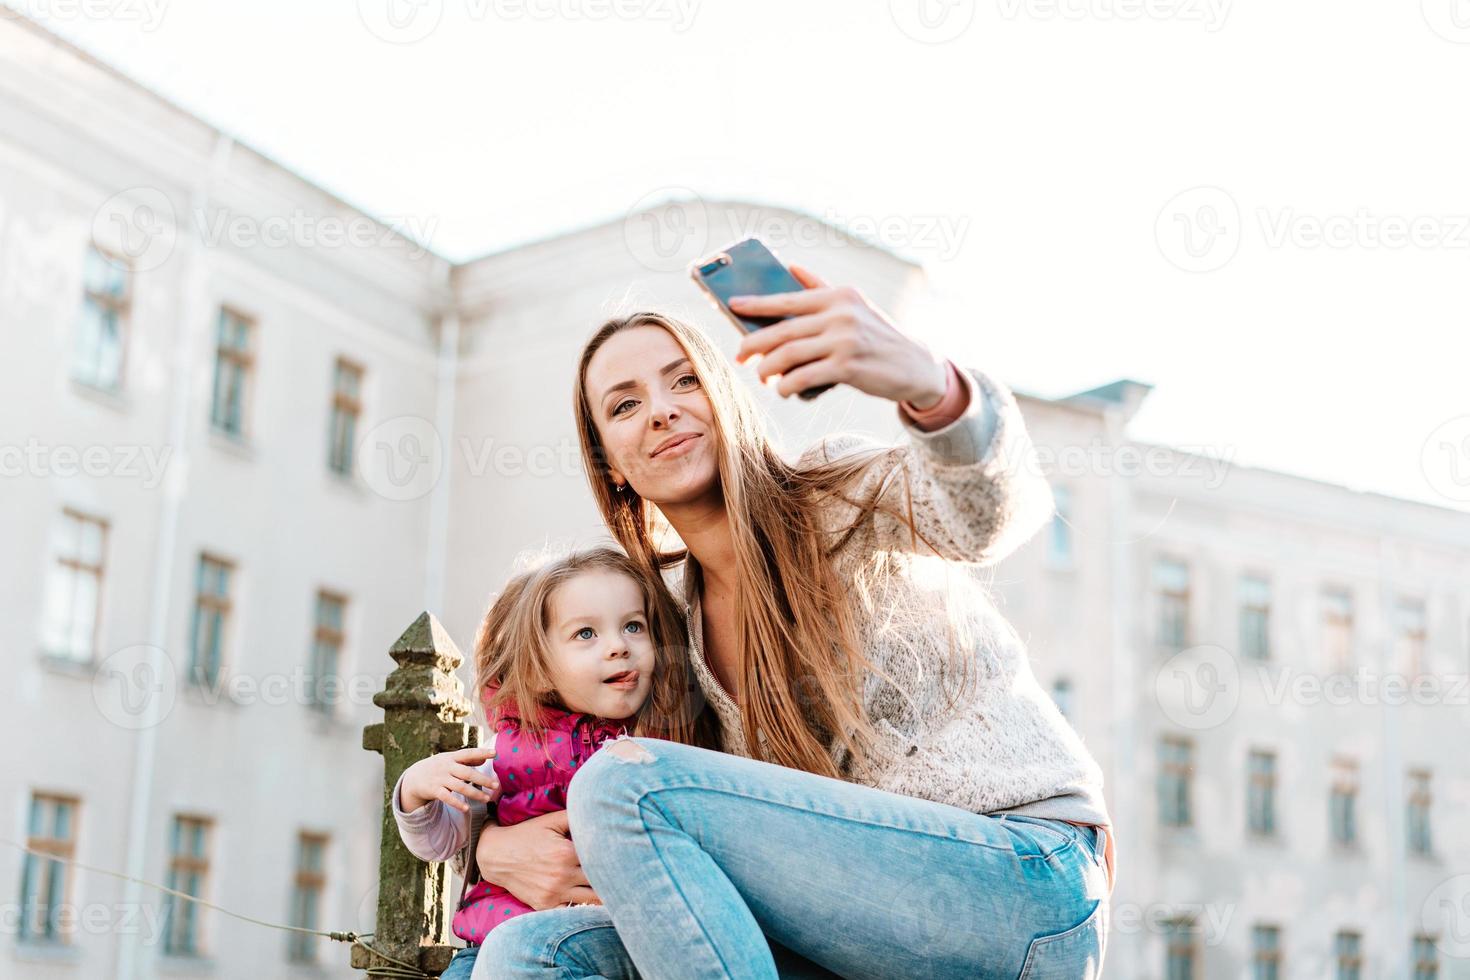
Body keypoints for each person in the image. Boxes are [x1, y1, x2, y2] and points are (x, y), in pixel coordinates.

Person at [476, 266, 1115, 979]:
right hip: (853, 931)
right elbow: (550, 746)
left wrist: (929, 385)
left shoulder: (828, 498)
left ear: (722, 396)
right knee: (531, 953)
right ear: (611, 464)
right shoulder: (663, 626)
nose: (660, 411)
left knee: (622, 784)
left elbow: (986, 516)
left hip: (1020, 880)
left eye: (683, 381)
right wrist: (482, 846)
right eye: (625, 406)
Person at [390, 547, 701, 980]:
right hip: (489, 946)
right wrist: (415, 790)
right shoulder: (506, 753)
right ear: (537, 671)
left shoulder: (659, 741)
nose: (618, 646)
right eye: (586, 634)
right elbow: (441, 841)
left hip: (607, 947)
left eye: (633, 626)